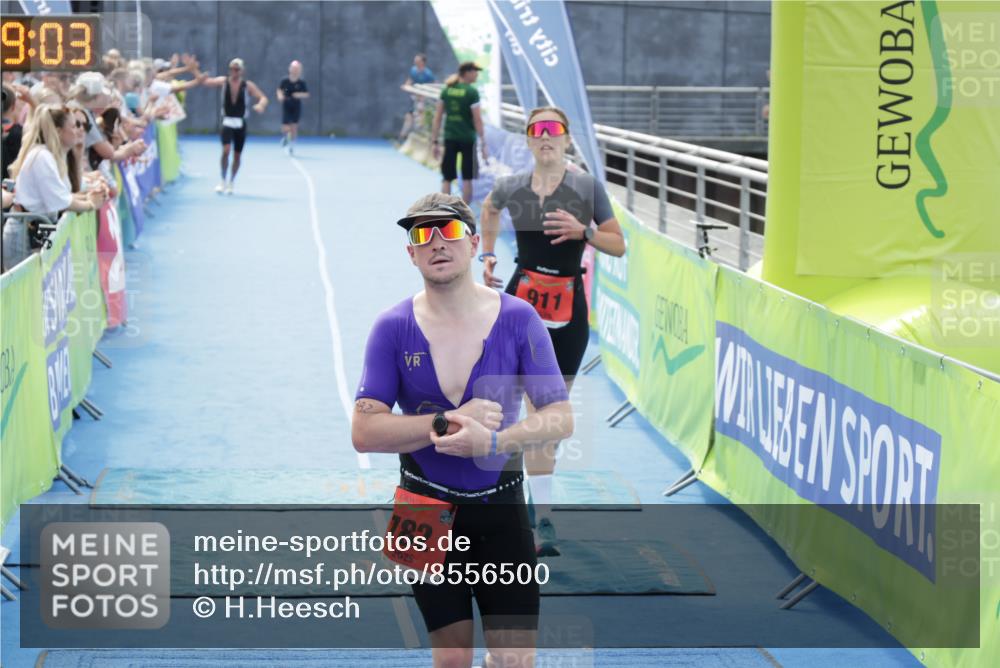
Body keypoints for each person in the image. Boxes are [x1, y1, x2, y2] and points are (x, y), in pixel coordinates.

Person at [352, 193, 573, 668]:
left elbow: (560, 416)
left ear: (473, 244)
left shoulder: (519, 318)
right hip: (422, 510)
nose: (436, 243)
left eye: (449, 231)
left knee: (515, 661)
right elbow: (364, 432)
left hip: (501, 510)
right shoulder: (391, 327)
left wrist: (493, 441)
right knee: (451, 660)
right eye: (422, 234)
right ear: (411, 254)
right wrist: (445, 422)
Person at [480, 106, 625, 548]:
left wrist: (585, 232)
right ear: (528, 140)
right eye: (537, 130)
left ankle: (539, 512)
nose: (545, 136)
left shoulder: (586, 188)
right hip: (518, 311)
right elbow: (489, 209)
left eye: (554, 129)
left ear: (565, 138)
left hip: (567, 316)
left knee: (547, 417)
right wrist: (488, 255)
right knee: (514, 408)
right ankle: (518, 508)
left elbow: (618, 244)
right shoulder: (513, 186)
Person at [202, 58, 268, 195]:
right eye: (232, 69)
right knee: (226, 150)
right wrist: (194, 70)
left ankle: (231, 181)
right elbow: (206, 82)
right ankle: (222, 179)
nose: (234, 72)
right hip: (227, 121)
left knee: (237, 155)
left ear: (242, 71)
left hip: (240, 123)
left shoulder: (247, 85)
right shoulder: (223, 81)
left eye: (237, 69)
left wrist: (261, 105)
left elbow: (263, 97)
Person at [430, 62, 488, 204]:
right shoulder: (471, 92)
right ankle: (464, 211)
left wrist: (434, 141)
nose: (477, 75)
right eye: (475, 71)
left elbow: (437, 117)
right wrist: (483, 142)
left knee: (447, 177)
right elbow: (477, 119)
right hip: (468, 139)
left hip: (450, 138)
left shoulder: (446, 90)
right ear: (467, 72)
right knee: (467, 178)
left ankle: (445, 210)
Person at [397, 53, 434, 142]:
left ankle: (421, 137)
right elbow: (410, 80)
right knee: (409, 116)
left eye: (418, 60)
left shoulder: (428, 74)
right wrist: (406, 85)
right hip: (415, 99)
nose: (415, 61)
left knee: (420, 118)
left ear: (423, 62)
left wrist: (423, 96)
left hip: (424, 100)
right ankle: (402, 136)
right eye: (415, 60)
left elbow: (431, 86)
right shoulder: (413, 70)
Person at [277, 60, 309, 155]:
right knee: (285, 128)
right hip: (286, 105)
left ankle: (292, 145)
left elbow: (306, 94)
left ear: (300, 70)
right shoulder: (285, 81)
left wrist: (298, 94)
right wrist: (280, 96)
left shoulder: (301, 82)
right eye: (293, 68)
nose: (295, 70)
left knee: (294, 127)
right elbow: (279, 90)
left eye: (297, 69)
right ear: (290, 69)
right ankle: (286, 138)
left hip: (296, 106)